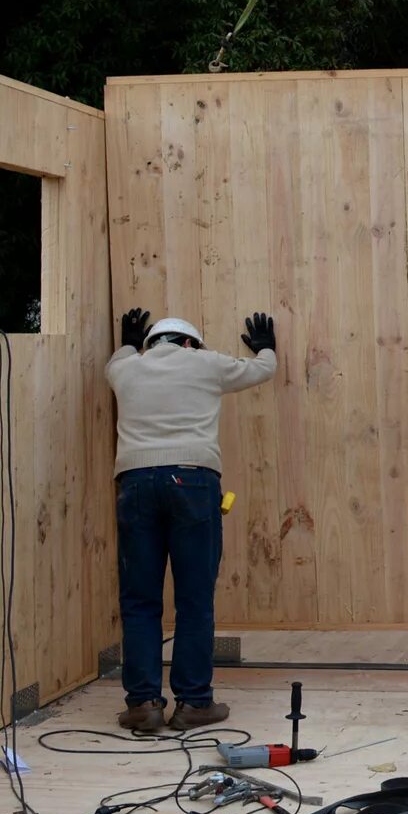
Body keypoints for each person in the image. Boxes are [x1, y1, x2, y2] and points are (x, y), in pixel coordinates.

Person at [106, 308, 278, 732]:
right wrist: (266, 347)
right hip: (192, 482)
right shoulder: (206, 362)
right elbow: (263, 370)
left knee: (140, 601)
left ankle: (144, 703)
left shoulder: (126, 368)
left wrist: (128, 341)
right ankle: (194, 702)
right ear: (188, 344)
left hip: (135, 484)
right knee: (194, 599)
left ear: (152, 344)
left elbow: (116, 361)